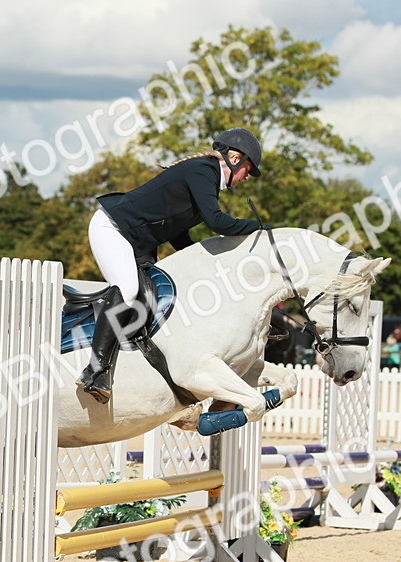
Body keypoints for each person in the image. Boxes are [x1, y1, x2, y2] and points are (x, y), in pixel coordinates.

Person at [76, 127, 264, 403]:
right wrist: (258, 227)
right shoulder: (204, 171)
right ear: (235, 158)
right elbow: (217, 222)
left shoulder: (206, 179)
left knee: (157, 296)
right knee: (128, 289)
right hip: (112, 229)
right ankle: (95, 369)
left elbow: (178, 236)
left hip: (138, 242)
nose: (247, 177)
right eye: (248, 169)